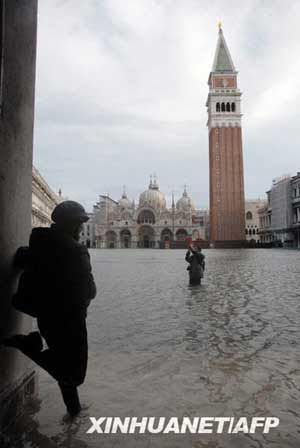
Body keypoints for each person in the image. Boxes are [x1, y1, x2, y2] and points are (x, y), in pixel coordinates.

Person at [2, 200, 97, 417]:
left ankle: (73, 412)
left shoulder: (38, 243)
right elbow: (89, 291)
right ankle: (28, 347)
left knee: (64, 365)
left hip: (46, 316)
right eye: (79, 223)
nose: (82, 228)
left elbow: (22, 259)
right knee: (75, 374)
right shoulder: (76, 251)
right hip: (71, 320)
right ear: (71, 225)